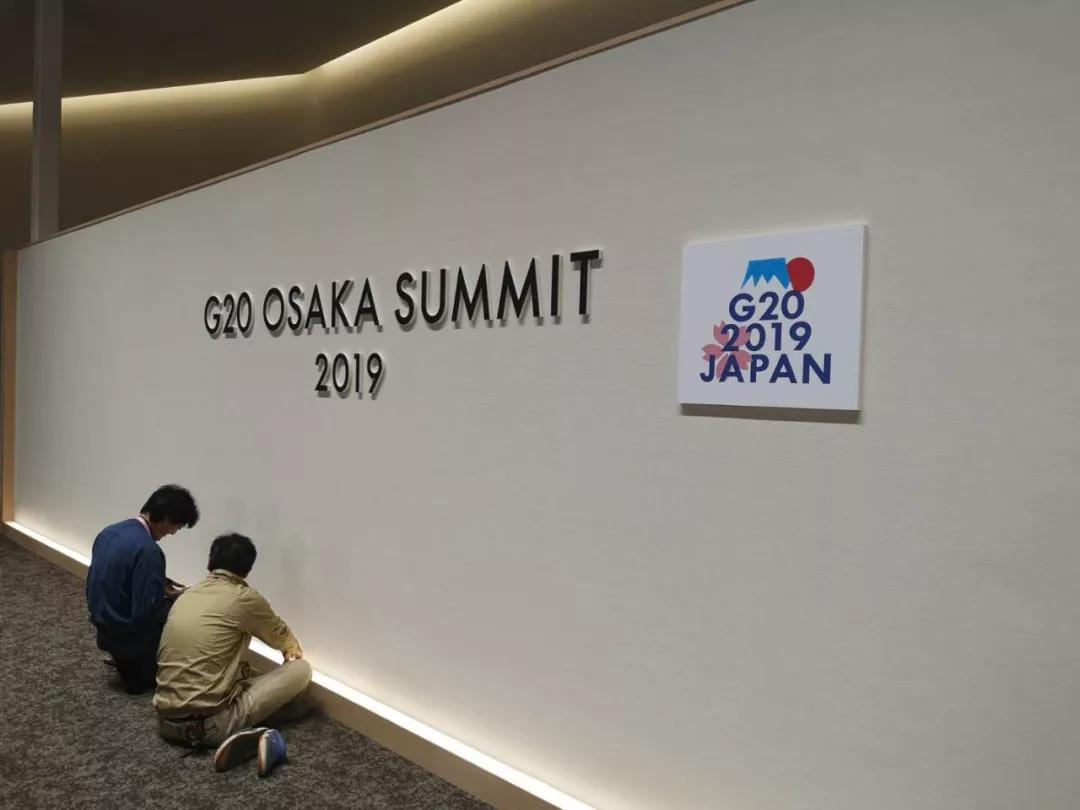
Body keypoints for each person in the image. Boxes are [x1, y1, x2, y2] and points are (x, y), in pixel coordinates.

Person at [154, 533, 312, 776]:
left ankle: (243, 728)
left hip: (165, 722)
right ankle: (251, 734)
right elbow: (284, 640)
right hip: (209, 726)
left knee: (244, 672)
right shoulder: (244, 598)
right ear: (247, 569)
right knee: (301, 671)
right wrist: (291, 653)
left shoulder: (188, 594)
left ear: (210, 561)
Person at [86, 484, 200, 694]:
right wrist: (184, 599)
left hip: (103, 624)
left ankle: (126, 659)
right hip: (127, 635)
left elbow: (114, 573)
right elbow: (146, 612)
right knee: (189, 608)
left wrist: (160, 582)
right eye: (177, 527)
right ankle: (139, 663)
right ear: (166, 519)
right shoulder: (149, 551)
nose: (173, 533)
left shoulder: (110, 532)